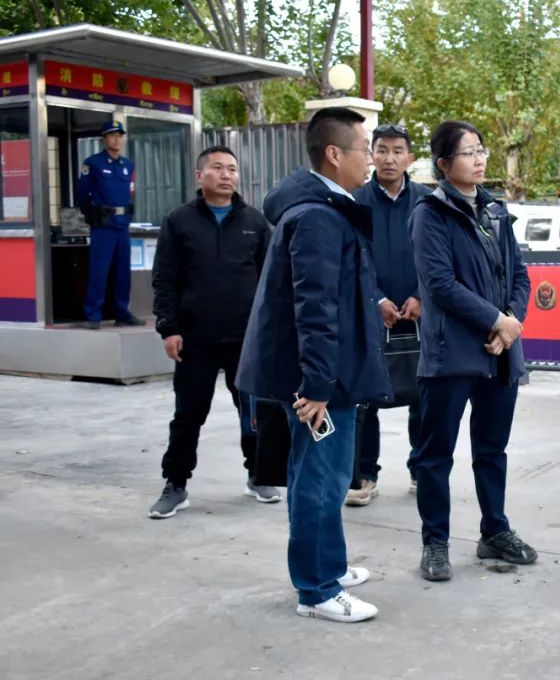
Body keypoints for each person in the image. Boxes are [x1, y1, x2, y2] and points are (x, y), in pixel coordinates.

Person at [236, 107, 391, 623]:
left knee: (325, 474)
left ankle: (331, 566)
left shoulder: (325, 208)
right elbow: (315, 308)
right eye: (365, 149)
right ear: (334, 154)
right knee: (320, 480)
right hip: (317, 378)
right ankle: (317, 590)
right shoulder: (318, 217)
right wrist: (318, 384)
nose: (371, 159)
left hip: (324, 371)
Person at [410, 120, 535, 582]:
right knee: (435, 454)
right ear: (444, 164)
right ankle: (435, 542)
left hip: (499, 350)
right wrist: (495, 320)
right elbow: (439, 284)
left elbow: (519, 276)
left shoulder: (496, 211)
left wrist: (510, 324)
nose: (479, 159)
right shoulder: (430, 213)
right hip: (452, 353)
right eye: (468, 152)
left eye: (481, 150)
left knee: (492, 448)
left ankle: (494, 531)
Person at [148, 145, 277, 519]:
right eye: (217, 168)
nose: (226, 175)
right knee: (188, 415)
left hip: (245, 340)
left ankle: (259, 474)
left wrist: (268, 332)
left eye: (232, 169)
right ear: (199, 175)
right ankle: (175, 484)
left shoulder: (255, 221)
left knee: (253, 413)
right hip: (195, 339)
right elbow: (165, 279)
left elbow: (271, 281)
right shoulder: (178, 221)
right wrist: (169, 329)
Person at [346, 123, 432, 507]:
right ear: (371, 156)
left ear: (410, 158)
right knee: (366, 397)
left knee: (423, 395)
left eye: (398, 151)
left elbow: (439, 257)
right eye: (381, 150)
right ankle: (365, 474)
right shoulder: (354, 202)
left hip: (420, 315)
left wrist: (420, 296)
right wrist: (375, 299)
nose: (389, 158)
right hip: (369, 315)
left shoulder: (428, 201)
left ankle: (421, 469)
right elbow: (352, 259)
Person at [76, 120, 145, 329]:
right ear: (104, 139)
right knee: (99, 270)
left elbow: (130, 191)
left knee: (123, 271)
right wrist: (92, 215)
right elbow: (82, 194)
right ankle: (93, 314)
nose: (117, 139)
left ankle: (122, 313)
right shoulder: (93, 163)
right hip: (103, 225)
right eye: (112, 135)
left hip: (122, 225)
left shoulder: (127, 165)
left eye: (119, 135)